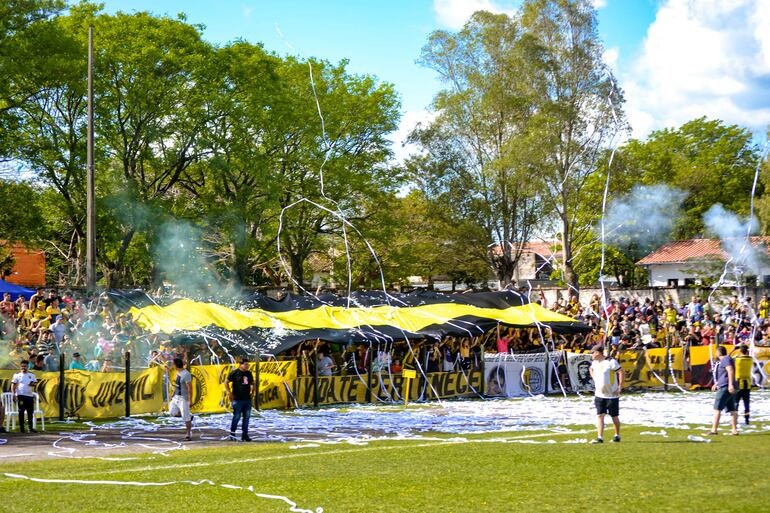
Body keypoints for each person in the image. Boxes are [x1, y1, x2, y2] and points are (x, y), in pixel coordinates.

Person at [589, 345, 624, 444]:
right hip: (599, 394)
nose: (591, 355)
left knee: (614, 416)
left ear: (598, 353)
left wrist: (620, 386)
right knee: (600, 415)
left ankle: (617, 435)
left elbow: (621, 372)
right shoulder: (594, 363)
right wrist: (594, 378)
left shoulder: (610, 362)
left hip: (611, 395)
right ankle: (600, 437)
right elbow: (590, 369)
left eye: (593, 353)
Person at [709, 345, 738, 436]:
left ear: (718, 353)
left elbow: (730, 371)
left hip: (725, 387)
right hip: (726, 385)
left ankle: (714, 430)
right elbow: (724, 374)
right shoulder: (727, 359)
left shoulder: (725, 359)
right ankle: (734, 430)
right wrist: (717, 383)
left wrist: (730, 385)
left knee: (717, 408)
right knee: (732, 409)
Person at [227, 357, 255, 442]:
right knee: (237, 416)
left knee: (246, 417)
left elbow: (253, 383)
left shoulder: (249, 373)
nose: (247, 366)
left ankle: (245, 435)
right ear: (240, 364)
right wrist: (229, 392)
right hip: (237, 399)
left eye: (248, 364)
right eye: (245, 364)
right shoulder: (235, 373)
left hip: (247, 399)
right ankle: (232, 434)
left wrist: (253, 392)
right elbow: (226, 382)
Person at [169, 357, 193, 441]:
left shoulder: (186, 374)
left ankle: (188, 434)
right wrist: (172, 394)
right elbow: (177, 385)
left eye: (173, 363)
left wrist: (190, 400)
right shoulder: (178, 373)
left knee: (186, 417)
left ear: (176, 365)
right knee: (172, 412)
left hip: (183, 398)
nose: (171, 365)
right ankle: (187, 416)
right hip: (176, 397)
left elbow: (190, 388)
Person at [11, 360, 38, 433]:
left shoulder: (31, 375)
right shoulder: (16, 375)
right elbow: (13, 385)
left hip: (29, 395)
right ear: (20, 367)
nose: (23, 368)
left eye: (25, 366)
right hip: (20, 395)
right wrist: (13, 394)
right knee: (21, 412)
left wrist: (32, 384)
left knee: (30, 412)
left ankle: (30, 428)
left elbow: (35, 384)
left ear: (28, 367)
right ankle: (22, 429)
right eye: (22, 366)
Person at [732, 345, 753, 425]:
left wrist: (733, 351)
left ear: (740, 351)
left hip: (738, 383)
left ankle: (735, 419)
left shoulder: (737, 360)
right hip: (747, 383)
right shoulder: (750, 359)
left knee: (736, 402)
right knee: (746, 403)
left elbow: (727, 359)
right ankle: (747, 420)